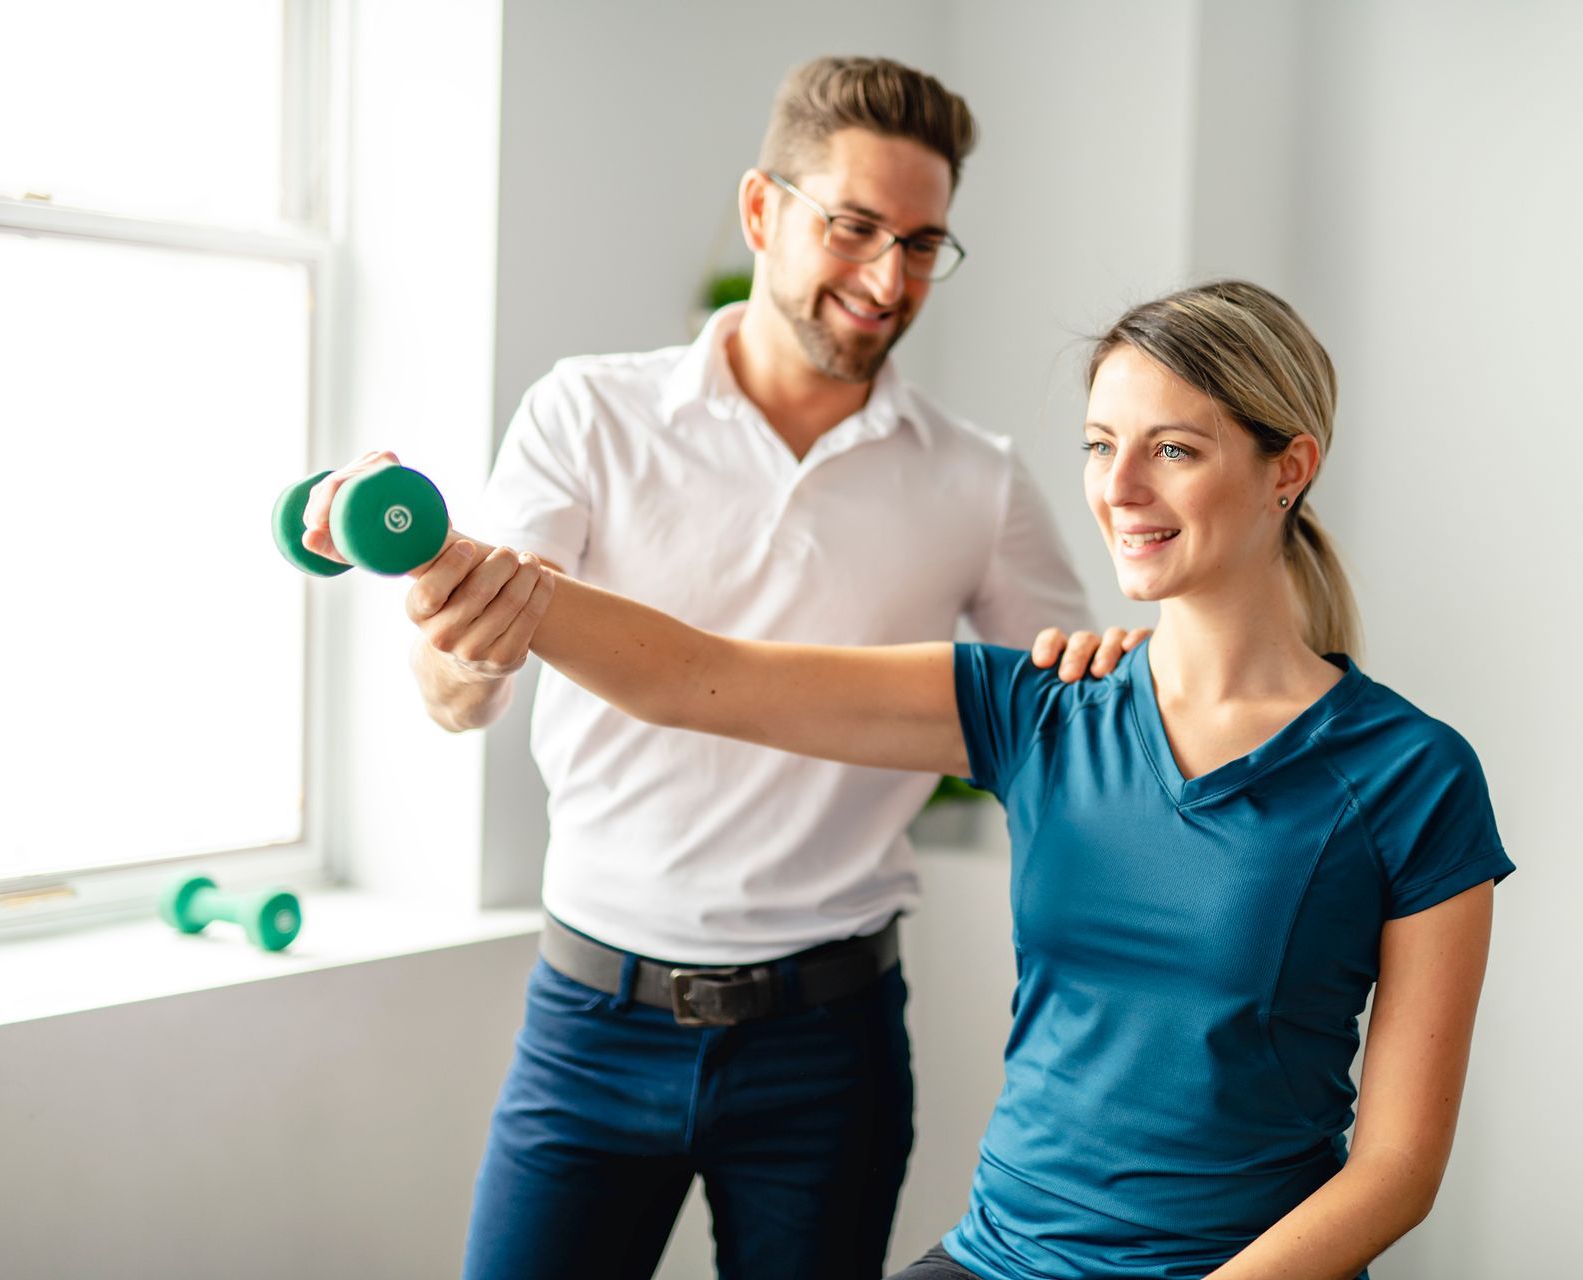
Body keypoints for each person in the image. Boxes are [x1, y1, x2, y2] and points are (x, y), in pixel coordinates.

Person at [308, 279, 1513, 1279]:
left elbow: (1397, 1166)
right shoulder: (1039, 709)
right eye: (1100, 446)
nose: (1120, 489)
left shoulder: (1410, 776)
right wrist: (451, 556)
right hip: (999, 1255)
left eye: (1175, 449)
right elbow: (698, 675)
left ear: (1287, 466)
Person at [306, 55, 1144, 1280]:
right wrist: (453, 623)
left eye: (923, 244)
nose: (887, 277)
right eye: (854, 227)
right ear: (763, 211)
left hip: (831, 1043)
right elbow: (458, 695)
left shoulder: (978, 478)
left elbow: (1073, 726)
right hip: (590, 1021)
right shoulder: (586, 414)